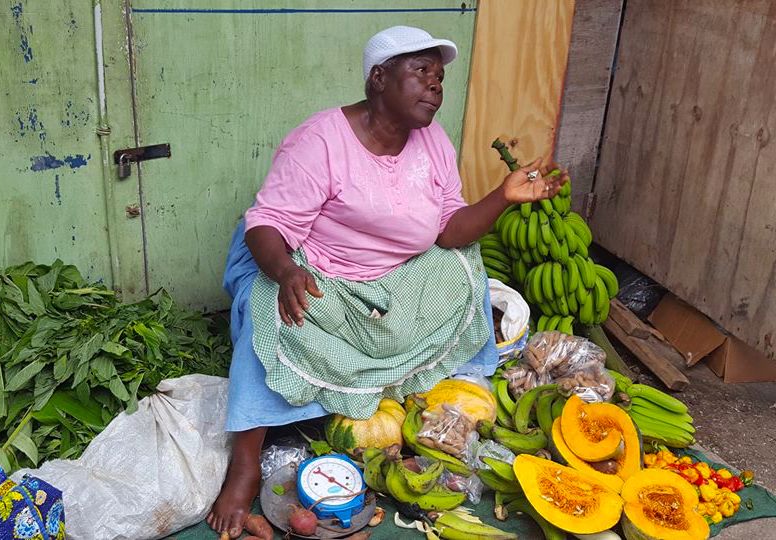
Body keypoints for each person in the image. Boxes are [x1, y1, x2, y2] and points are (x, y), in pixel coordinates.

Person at [206, 25, 567, 538]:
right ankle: (245, 464)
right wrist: (287, 271)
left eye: (439, 78)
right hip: (319, 274)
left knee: (464, 268)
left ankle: (405, 388)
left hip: (395, 278)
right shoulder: (322, 141)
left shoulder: (434, 141)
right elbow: (267, 225)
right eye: (420, 72)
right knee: (273, 310)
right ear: (379, 78)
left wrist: (502, 196)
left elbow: (449, 230)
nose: (435, 86)